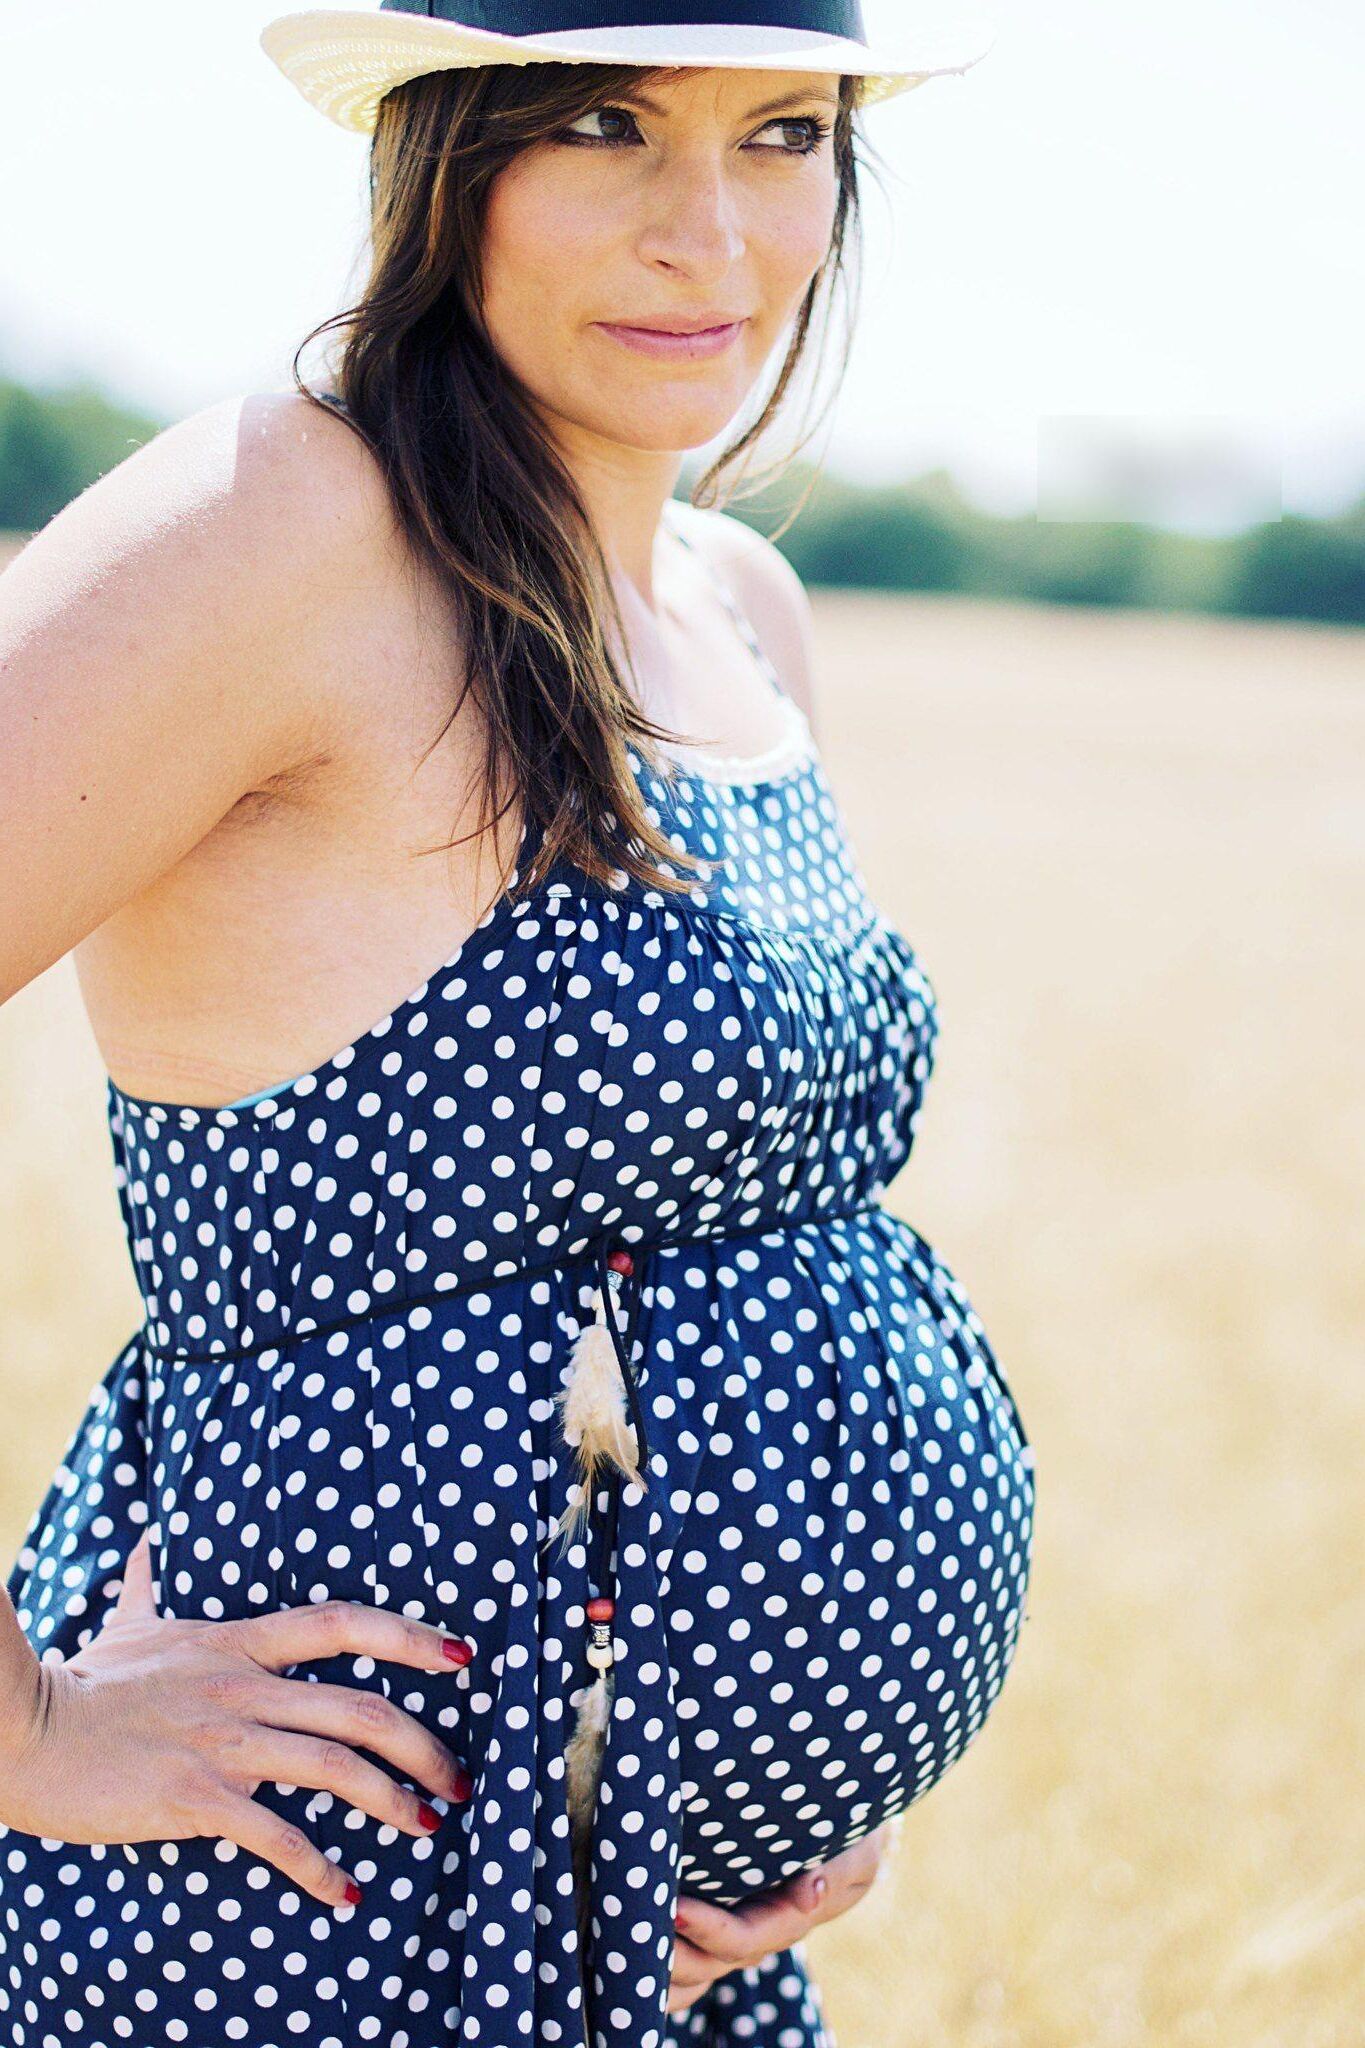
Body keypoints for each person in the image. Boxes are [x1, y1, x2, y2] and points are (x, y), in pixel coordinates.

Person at [0, 5, 1035, 2044]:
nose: (706, 233)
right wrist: (21, 1729)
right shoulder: (281, 527)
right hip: (311, 1880)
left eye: (778, 136)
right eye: (600, 126)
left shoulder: (739, 601)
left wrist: (818, 1763)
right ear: (439, 158)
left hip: (663, 1924)